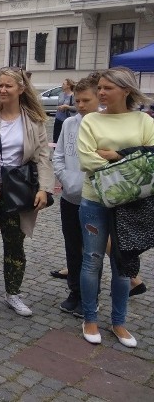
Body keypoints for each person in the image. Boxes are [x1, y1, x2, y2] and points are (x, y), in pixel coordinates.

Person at [0, 67, 54, 317]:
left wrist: (45, 189)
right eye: (0, 85)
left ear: (21, 89)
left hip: (19, 191)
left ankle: (13, 293)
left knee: (15, 245)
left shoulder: (33, 121)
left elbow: (43, 157)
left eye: (8, 86)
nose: (2, 90)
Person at [77, 67, 154, 348]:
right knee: (92, 259)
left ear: (126, 90)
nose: (101, 92)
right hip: (94, 200)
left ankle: (119, 322)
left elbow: (152, 162)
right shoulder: (91, 122)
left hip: (132, 205)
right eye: (100, 87)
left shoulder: (143, 120)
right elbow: (86, 161)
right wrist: (132, 163)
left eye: (108, 88)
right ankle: (90, 318)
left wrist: (115, 156)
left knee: (123, 263)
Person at [53, 74, 100, 317]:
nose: (80, 105)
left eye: (85, 101)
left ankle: (90, 295)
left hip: (95, 201)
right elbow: (59, 155)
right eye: (77, 101)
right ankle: (74, 291)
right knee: (72, 247)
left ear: (97, 99)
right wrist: (67, 180)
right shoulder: (70, 124)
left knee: (91, 250)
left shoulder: (104, 124)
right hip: (70, 197)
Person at [53, 78, 75, 143]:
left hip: (67, 119)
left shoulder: (73, 95)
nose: (62, 85)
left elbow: (76, 108)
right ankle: (56, 150)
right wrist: (59, 107)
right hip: (58, 118)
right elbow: (58, 104)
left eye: (63, 84)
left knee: (65, 137)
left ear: (68, 85)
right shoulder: (61, 94)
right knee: (56, 137)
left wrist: (67, 107)